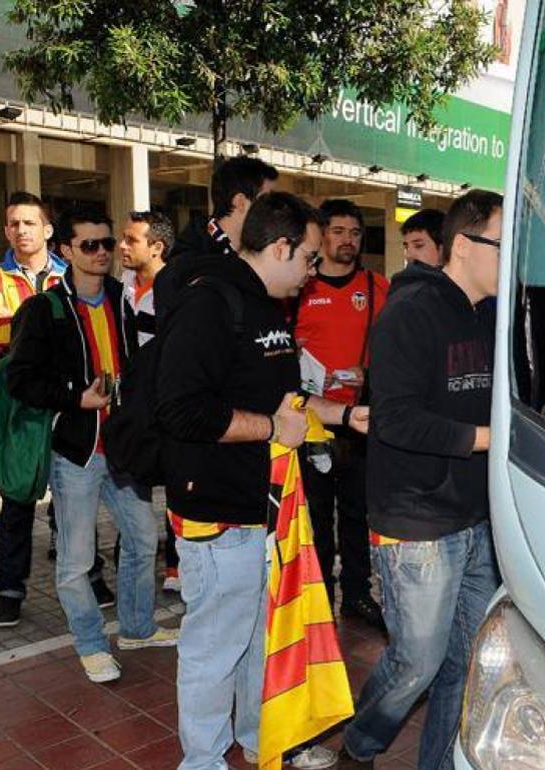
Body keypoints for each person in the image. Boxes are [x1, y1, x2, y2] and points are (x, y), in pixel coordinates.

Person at [157, 192, 365, 770]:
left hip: (266, 509)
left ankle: (259, 736)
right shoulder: (209, 304)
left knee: (258, 638)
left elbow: (282, 398)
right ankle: (201, 760)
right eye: (309, 258)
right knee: (213, 647)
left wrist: (344, 416)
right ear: (279, 247)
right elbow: (181, 411)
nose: (313, 271)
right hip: (218, 511)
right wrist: (273, 425)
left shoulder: (270, 306)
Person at [341, 190, 503, 769]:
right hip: (417, 521)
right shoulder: (409, 312)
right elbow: (397, 418)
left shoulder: (491, 316)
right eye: (503, 246)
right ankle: (359, 743)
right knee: (417, 662)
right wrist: (491, 438)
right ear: (464, 245)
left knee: (469, 662)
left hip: (478, 518)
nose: (512, 261)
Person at [6, 207, 177, 680]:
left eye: (107, 243)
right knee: (77, 560)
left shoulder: (125, 299)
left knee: (144, 540)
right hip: (75, 453)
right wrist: (72, 397)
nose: (103, 252)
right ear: (65, 250)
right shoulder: (45, 308)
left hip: (123, 449)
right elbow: (17, 378)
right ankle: (89, 641)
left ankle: (138, 627)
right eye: (89, 245)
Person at [0, 192, 112, 625]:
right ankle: (10, 588)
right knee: (16, 498)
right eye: (13, 223)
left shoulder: (72, 271)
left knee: (74, 499)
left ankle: (89, 574)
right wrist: (43, 321)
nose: (20, 230)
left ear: (49, 231)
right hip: (20, 402)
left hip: (73, 402)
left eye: (29, 223)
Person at [293, 199, 388, 629]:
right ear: (321, 235)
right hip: (311, 423)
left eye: (354, 233)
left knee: (356, 513)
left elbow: (397, 349)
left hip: (360, 421)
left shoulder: (376, 287)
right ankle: (319, 602)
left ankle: (356, 594)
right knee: (314, 516)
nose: (347, 240)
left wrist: (367, 370)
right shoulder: (299, 288)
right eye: (337, 231)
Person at [116, 209, 180, 592]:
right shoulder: (118, 287)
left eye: (131, 240)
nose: (122, 246)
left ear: (156, 247)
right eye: (122, 239)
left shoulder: (176, 290)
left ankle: (176, 565)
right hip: (131, 406)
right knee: (132, 485)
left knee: (175, 484)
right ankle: (133, 559)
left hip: (167, 404)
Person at [154, 156, 278, 324]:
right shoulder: (186, 265)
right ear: (241, 202)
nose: (274, 212)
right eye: (267, 201)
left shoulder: (261, 254)